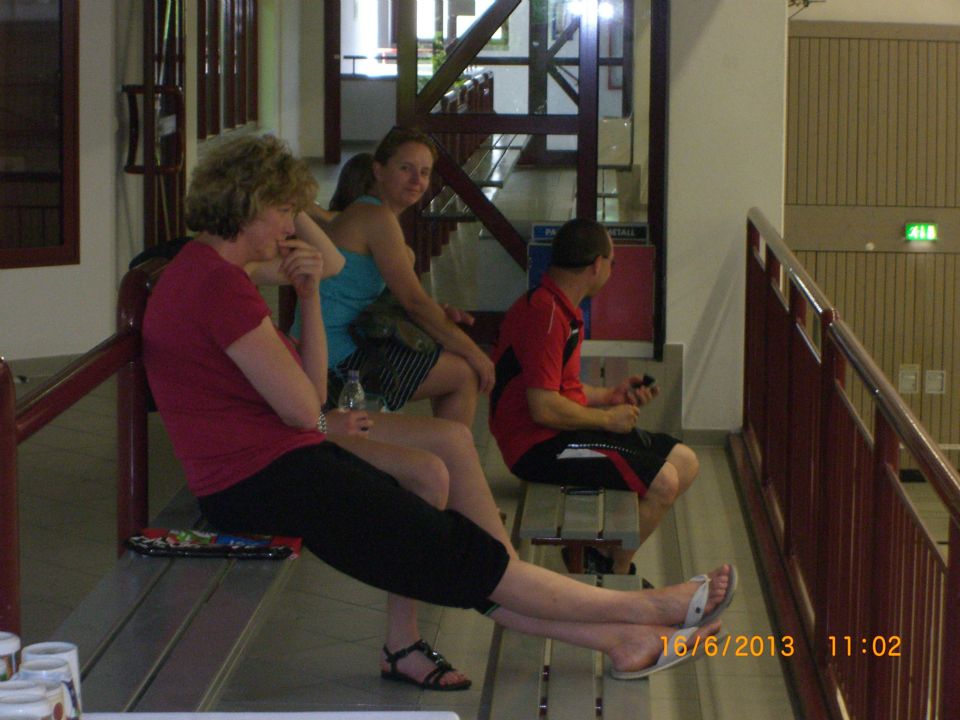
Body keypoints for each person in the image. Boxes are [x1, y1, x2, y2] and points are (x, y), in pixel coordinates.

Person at [142, 133, 736, 690]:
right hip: (263, 477)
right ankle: (647, 608)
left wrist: (310, 296)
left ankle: (623, 641)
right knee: (460, 557)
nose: (290, 225)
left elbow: (309, 393)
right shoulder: (220, 287)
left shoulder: (208, 270)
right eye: (283, 210)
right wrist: (313, 333)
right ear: (249, 207)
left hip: (272, 463)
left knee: (457, 554)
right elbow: (304, 408)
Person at [489, 218, 700, 575]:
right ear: (597, 265)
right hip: (537, 448)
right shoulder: (546, 315)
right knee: (663, 482)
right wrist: (607, 420)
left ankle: (599, 556)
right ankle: (615, 571)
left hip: (561, 432)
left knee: (685, 462)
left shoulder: (561, 309)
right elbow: (543, 407)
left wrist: (609, 396)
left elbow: (561, 389)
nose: (611, 270)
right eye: (612, 262)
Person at [293, 127, 494, 426]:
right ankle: (452, 449)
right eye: (405, 168)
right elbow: (414, 302)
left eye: (424, 172)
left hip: (336, 343)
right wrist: (476, 353)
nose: (416, 180)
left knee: (450, 355)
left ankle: (448, 448)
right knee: (465, 372)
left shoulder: (373, 213)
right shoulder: (375, 218)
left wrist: (438, 313)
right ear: (379, 170)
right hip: (332, 359)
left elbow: (400, 300)